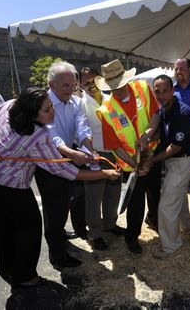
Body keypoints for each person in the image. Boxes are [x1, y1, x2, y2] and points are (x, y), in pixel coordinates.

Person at [0, 87, 120, 288]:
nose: (53, 112)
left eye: (51, 107)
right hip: (7, 183)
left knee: (5, 223)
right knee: (30, 226)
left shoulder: (9, 106)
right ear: (30, 113)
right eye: (46, 110)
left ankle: (7, 267)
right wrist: (104, 173)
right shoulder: (37, 135)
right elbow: (66, 172)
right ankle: (25, 277)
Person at [95, 59, 160, 254]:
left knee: (156, 196)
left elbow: (156, 115)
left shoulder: (143, 88)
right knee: (135, 204)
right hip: (131, 166)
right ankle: (132, 238)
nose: (118, 90)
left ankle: (156, 222)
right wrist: (136, 163)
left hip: (153, 156)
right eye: (113, 88)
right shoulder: (105, 111)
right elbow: (114, 146)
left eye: (121, 85)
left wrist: (147, 136)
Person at [34, 61, 94, 270]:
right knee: (54, 209)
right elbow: (51, 135)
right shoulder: (42, 104)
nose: (70, 89)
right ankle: (57, 255)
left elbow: (82, 126)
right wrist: (72, 154)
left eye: (73, 85)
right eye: (65, 85)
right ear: (51, 84)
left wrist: (88, 148)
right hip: (48, 162)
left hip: (69, 155)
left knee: (73, 197)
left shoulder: (76, 102)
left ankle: (64, 234)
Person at [138, 75, 190, 255]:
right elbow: (157, 122)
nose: (161, 95)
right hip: (175, 161)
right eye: (158, 91)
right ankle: (186, 228)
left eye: (165, 91)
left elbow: (174, 147)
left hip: (182, 160)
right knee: (178, 196)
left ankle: (171, 245)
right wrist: (146, 136)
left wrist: (151, 160)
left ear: (173, 91)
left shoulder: (182, 113)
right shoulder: (165, 108)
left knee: (166, 205)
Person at [79, 66, 124, 250]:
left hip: (114, 153)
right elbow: (80, 132)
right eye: (86, 82)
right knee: (94, 198)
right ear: (81, 85)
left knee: (113, 194)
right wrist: (89, 154)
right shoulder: (80, 104)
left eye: (94, 80)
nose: (91, 85)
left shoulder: (110, 99)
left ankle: (110, 224)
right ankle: (95, 233)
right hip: (95, 155)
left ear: (100, 79)